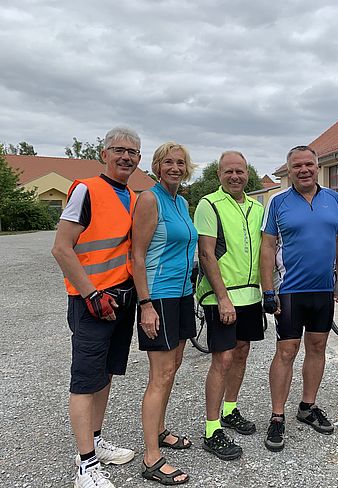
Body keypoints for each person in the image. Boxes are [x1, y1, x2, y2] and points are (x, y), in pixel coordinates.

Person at [52, 127, 142, 488]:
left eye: (132, 152)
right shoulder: (86, 190)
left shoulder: (133, 196)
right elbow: (62, 248)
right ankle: (85, 466)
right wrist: (91, 294)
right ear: (104, 154)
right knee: (85, 381)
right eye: (118, 150)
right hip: (92, 301)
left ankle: (95, 442)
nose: (125, 157)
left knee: (104, 375)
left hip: (121, 299)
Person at [260, 145, 338, 452]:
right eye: (297, 165)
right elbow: (267, 246)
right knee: (286, 351)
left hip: (322, 289)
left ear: (317, 166)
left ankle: (307, 406)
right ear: (289, 170)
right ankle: (277, 415)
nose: (304, 170)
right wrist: (267, 290)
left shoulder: (333, 199)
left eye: (309, 164)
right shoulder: (278, 201)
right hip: (290, 291)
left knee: (318, 347)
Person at [132, 142, 198, 485]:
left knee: (173, 366)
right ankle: (151, 458)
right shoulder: (150, 199)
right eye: (168, 162)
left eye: (180, 162)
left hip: (183, 294)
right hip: (158, 296)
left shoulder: (181, 202)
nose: (175, 167)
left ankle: (159, 430)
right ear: (157, 167)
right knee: (160, 374)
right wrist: (145, 305)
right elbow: (137, 255)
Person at [193, 151, 265, 460]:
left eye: (240, 171)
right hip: (221, 296)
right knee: (222, 359)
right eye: (228, 171)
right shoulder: (209, 204)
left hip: (250, 296)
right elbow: (206, 254)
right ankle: (212, 429)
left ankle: (230, 410)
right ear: (219, 175)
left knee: (241, 352)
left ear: (247, 173)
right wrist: (222, 297)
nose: (235, 176)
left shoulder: (257, 207)